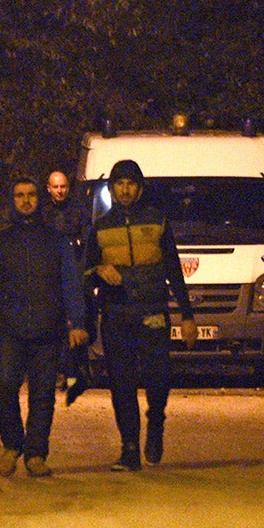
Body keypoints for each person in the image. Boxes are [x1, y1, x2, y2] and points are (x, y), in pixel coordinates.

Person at [83, 159, 197, 471]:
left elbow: (174, 269)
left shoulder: (157, 221)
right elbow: (84, 272)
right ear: (111, 188)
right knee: (122, 384)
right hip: (117, 314)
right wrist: (98, 270)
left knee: (159, 378)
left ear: (140, 187)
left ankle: (156, 420)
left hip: (152, 312)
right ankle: (129, 447)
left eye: (130, 183)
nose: (125, 189)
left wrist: (187, 316)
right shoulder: (101, 228)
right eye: (119, 184)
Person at [0, 177, 89, 478]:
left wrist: (77, 322)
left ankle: (36, 453)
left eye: (31, 195)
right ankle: (12, 446)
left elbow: (69, 283)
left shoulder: (55, 240)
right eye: (19, 195)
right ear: (12, 200)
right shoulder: (1, 241)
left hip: (47, 328)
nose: (26, 201)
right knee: (5, 388)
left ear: (39, 199)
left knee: (42, 396)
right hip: (9, 329)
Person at [39, 169, 92, 391]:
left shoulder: (78, 210)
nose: (60, 191)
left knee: (76, 325)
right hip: (51, 278)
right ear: (49, 188)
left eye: (63, 187)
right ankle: (58, 373)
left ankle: (73, 374)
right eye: (56, 187)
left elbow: (88, 239)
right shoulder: (43, 212)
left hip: (74, 275)